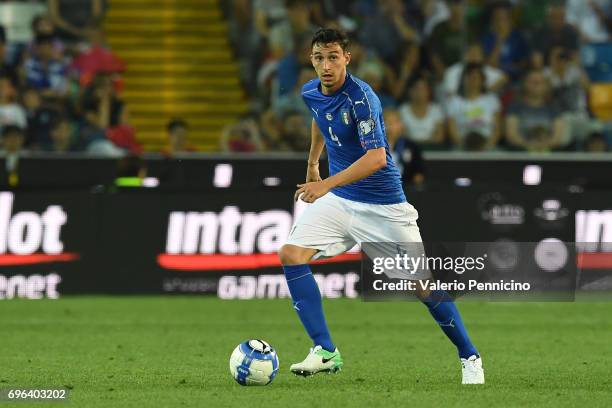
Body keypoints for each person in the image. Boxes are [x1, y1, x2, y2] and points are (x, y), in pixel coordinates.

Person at [278, 28, 483, 384]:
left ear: (347, 58)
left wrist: (323, 183)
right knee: (291, 254)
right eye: (318, 58)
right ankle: (325, 351)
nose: (325, 66)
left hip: (383, 207)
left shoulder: (363, 100)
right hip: (342, 202)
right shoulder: (310, 91)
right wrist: (314, 162)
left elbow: (376, 158)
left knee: (422, 287)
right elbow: (319, 118)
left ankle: (469, 356)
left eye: (332, 57)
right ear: (311, 60)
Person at [505, 69, 565, 151]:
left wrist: (544, 145)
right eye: (533, 81)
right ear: (525, 84)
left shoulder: (553, 108)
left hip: (548, 152)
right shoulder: (515, 107)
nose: (536, 84)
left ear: (546, 86)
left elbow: (557, 137)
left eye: (540, 82)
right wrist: (529, 145)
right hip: (521, 152)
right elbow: (511, 134)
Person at [447, 63, 502, 150]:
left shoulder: (492, 100)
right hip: (463, 147)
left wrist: (487, 146)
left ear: (482, 80)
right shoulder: (455, 102)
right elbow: (452, 130)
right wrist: (464, 147)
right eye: (470, 77)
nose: (473, 80)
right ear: (464, 80)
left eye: (476, 77)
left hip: (487, 146)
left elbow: (497, 129)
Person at [398, 75, 445, 146]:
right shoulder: (403, 110)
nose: (420, 92)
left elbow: (440, 136)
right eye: (417, 88)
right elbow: (401, 135)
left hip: (432, 150)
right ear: (410, 91)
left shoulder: (436, 110)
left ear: (428, 91)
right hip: (409, 150)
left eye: (423, 89)